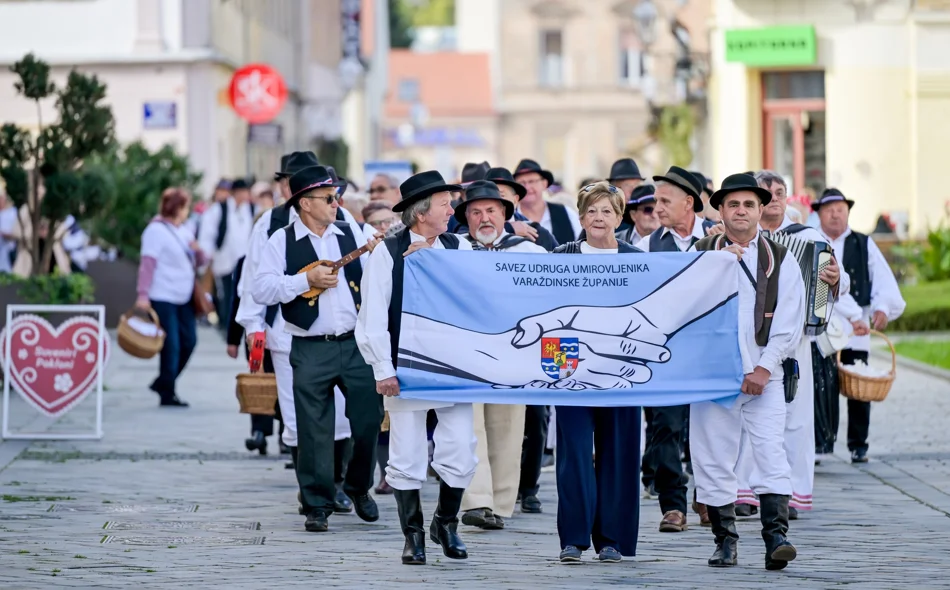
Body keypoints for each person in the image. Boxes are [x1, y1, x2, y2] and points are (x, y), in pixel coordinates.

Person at [252, 165, 383, 533]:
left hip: (355, 344)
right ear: (305, 203)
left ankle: (358, 487)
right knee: (313, 430)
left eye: (336, 196)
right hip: (309, 346)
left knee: (369, 420)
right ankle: (317, 503)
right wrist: (303, 281)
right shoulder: (281, 240)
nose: (336, 202)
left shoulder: (352, 229)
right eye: (328, 198)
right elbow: (261, 289)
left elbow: (381, 262)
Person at [356, 170, 476, 565]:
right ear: (422, 213)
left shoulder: (460, 248)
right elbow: (372, 317)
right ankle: (413, 535)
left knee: (459, 447)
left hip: (453, 367)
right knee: (406, 453)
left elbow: (480, 296)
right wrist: (382, 369)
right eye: (445, 203)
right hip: (405, 366)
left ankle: (446, 522)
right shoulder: (386, 254)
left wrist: (438, 263)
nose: (452, 209)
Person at [689, 172, 805, 570]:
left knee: (771, 451)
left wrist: (763, 368)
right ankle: (725, 541)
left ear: (761, 210)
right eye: (733, 204)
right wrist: (716, 267)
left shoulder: (781, 257)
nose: (741, 211)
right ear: (720, 210)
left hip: (765, 375)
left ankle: (777, 538)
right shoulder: (699, 253)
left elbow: (790, 322)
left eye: (749, 204)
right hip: (712, 375)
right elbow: (682, 310)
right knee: (712, 457)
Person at [726, 170, 846, 520]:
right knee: (751, 413)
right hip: (753, 341)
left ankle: (792, 493)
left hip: (798, 342)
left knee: (795, 417)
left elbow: (841, 277)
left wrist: (836, 280)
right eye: (767, 192)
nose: (775, 198)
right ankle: (745, 489)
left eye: (780, 192)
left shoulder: (810, 236)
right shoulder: (739, 238)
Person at [552, 181, 643, 564]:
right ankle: (573, 538)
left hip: (620, 362)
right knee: (573, 451)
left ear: (619, 218)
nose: (599, 218)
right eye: (592, 211)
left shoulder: (638, 259)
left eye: (607, 211)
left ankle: (612, 539)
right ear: (581, 216)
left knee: (619, 451)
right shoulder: (561, 255)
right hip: (567, 359)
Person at [452, 180, 546, 531]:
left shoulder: (531, 252)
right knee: (468, 425)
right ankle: (476, 500)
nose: (484, 218)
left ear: (506, 214)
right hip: (466, 352)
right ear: (466, 219)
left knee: (508, 426)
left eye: (491, 210)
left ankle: (502, 502)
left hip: (515, 353)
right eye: (475, 212)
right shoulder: (452, 250)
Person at [634, 166, 716, 533]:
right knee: (665, 425)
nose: (657, 208)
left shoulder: (719, 238)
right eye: (655, 201)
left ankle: (711, 495)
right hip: (665, 352)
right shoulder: (646, 246)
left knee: (711, 426)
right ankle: (673, 505)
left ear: (690, 204)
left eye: (665, 201)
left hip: (709, 351)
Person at [814, 188, 906, 463]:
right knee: (821, 388)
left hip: (856, 332)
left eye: (840, 209)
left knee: (859, 389)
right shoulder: (811, 241)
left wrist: (881, 308)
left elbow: (882, 280)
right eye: (829, 209)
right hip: (820, 331)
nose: (835, 214)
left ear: (848, 212)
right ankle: (819, 443)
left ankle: (858, 444)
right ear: (818, 213)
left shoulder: (863, 243)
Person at [135, 188, 207, 407]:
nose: (187, 211)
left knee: (190, 341)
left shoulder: (185, 231)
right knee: (172, 345)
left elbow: (200, 261)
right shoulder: (155, 231)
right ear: (177, 207)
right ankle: (168, 392)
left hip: (184, 295)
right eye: (185, 207)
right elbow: (148, 265)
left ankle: (163, 382)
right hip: (162, 294)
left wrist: (199, 252)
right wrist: (143, 295)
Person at [199, 177, 254, 333]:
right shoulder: (219, 209)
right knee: (225, 294)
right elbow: (208, 234)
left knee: (240, 293)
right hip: (223, 259)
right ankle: (225, 324)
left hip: (243, 260)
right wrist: (206, 256)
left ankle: (236, 326)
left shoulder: (249, 209)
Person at [514, 158, 581, 245]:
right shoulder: (510, 218)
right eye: (521, 183)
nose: (527, 187)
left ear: (544, 184)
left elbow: (582, 247)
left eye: (532, 181)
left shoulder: (566, 213)